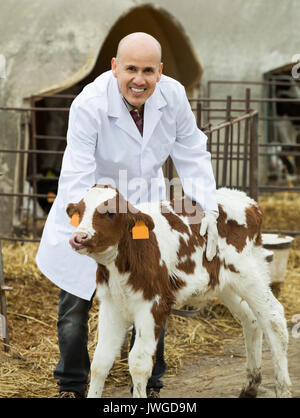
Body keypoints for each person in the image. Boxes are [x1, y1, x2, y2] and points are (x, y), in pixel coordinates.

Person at [36, 32, 219, 398]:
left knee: (151, 289)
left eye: (149, 70)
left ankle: (149, 381)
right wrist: (83, 226)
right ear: (115, 67)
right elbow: (77, 169)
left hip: (141, 212)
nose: (140, 79)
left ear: (160, 71)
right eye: (131, 68)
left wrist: (207, 209)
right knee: (77, 300)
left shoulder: (173, 96)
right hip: (94, 209)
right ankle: (71, 383)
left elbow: (192, 151)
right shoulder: (89, 103)